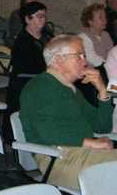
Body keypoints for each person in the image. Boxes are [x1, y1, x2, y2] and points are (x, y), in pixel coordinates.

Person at [20, 35, 117, 191]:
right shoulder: (39, 87)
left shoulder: (70, 89)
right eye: (78, 56)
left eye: (84, 55)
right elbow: (49, 133)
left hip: (82, 153)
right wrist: (90, 142)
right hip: (58, 159)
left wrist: (102, 90)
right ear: (58, 59)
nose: (85, 62)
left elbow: (102, 126)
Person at [6, 1, 50, 135]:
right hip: (26, 84)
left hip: (41, 79)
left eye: (44, 16)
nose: (43, 20)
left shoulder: (46, 37)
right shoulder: (22, 41)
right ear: (27, 19)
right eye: (39, 16)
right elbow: (29, 68)